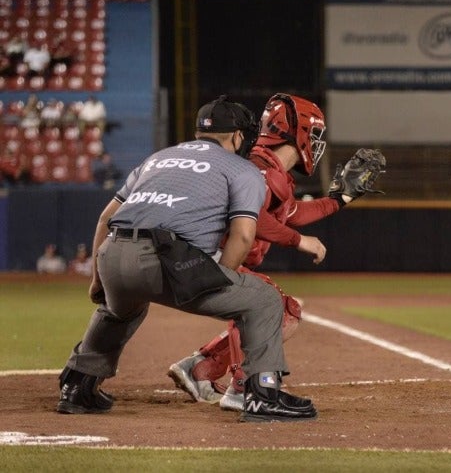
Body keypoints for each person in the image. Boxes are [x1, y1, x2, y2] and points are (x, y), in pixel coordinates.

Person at [55, 95, 318, 423]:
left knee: (119, 308)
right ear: (238, 136)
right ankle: (263, 394)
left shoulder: (159, 158)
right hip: (166, 258)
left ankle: (77, 386)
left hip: (112, 252)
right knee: (264, 299)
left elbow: (106, 219)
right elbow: (243, 236)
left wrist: (98, 277)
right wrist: (221, 278)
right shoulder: (242, 169)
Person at [167, 93, 386, 412]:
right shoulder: (259, 167)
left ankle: (201, 369)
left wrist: (338, 201)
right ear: (296, 132)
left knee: (280, 307)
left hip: (204, 259)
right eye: (313, 134)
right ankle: (241, 386)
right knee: (279, 310)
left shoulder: (266, 168)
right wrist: (298, 241)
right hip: (206, 261)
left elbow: (291, 212)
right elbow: (256, 214)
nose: (315, 142)